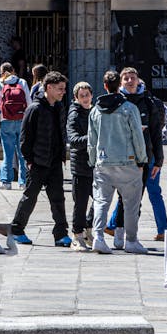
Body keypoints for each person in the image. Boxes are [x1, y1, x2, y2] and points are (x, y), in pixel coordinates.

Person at [87, 70, 148, 254]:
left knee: (101, 202)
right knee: (131, 204)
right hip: (128, 162)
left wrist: (92, 160)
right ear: (118, 86)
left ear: (105, 86)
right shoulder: (129, 108)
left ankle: (98, 237)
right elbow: (138, 136)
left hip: (103, 162)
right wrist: (141, 159)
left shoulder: (95, 110)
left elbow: (92, 140)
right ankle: (131, 240)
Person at [106, 67, 167, 243]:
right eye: (126, 78)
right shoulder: (116, 101)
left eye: (133, 78)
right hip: (123, 158)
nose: (130, 81)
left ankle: (130, 234)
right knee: (123, 196)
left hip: (146, 157)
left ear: (139, 80)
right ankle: (118, 231)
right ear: (120, 82)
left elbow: (157, 133)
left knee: (140, 197)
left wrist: (159, 160)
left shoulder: (149, 103)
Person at [10, 71, 69, 246]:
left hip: (55, 162)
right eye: (60, 89)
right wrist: (29, 160)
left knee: (58, 198)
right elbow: (24, 138)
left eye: (64, 89)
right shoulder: (34, 108)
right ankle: (16, 229)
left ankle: (60, 234)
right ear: (49, 88)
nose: (63, 92)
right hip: (37, 162)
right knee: (30, 197)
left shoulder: (59, 107)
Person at [65, 81, 95, 251]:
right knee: (81, 203)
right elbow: (74, 141)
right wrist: (93, 137)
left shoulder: (95, 111)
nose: (85, 98)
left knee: (99, 200)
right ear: (76, 97)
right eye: (81, 95)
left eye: (87, 95)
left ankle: (88, 228)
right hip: (81, 166)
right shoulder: (74, 115)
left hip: (95, 165)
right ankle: (77, 235)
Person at [0, 62, 31, 189]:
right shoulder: (22, 82)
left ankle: (6, 182)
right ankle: (23, 182)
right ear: (13, 70)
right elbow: (29, 102)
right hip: (21, 120)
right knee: (22, 153)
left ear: (1, 72)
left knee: (8, 153)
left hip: (5, 120)